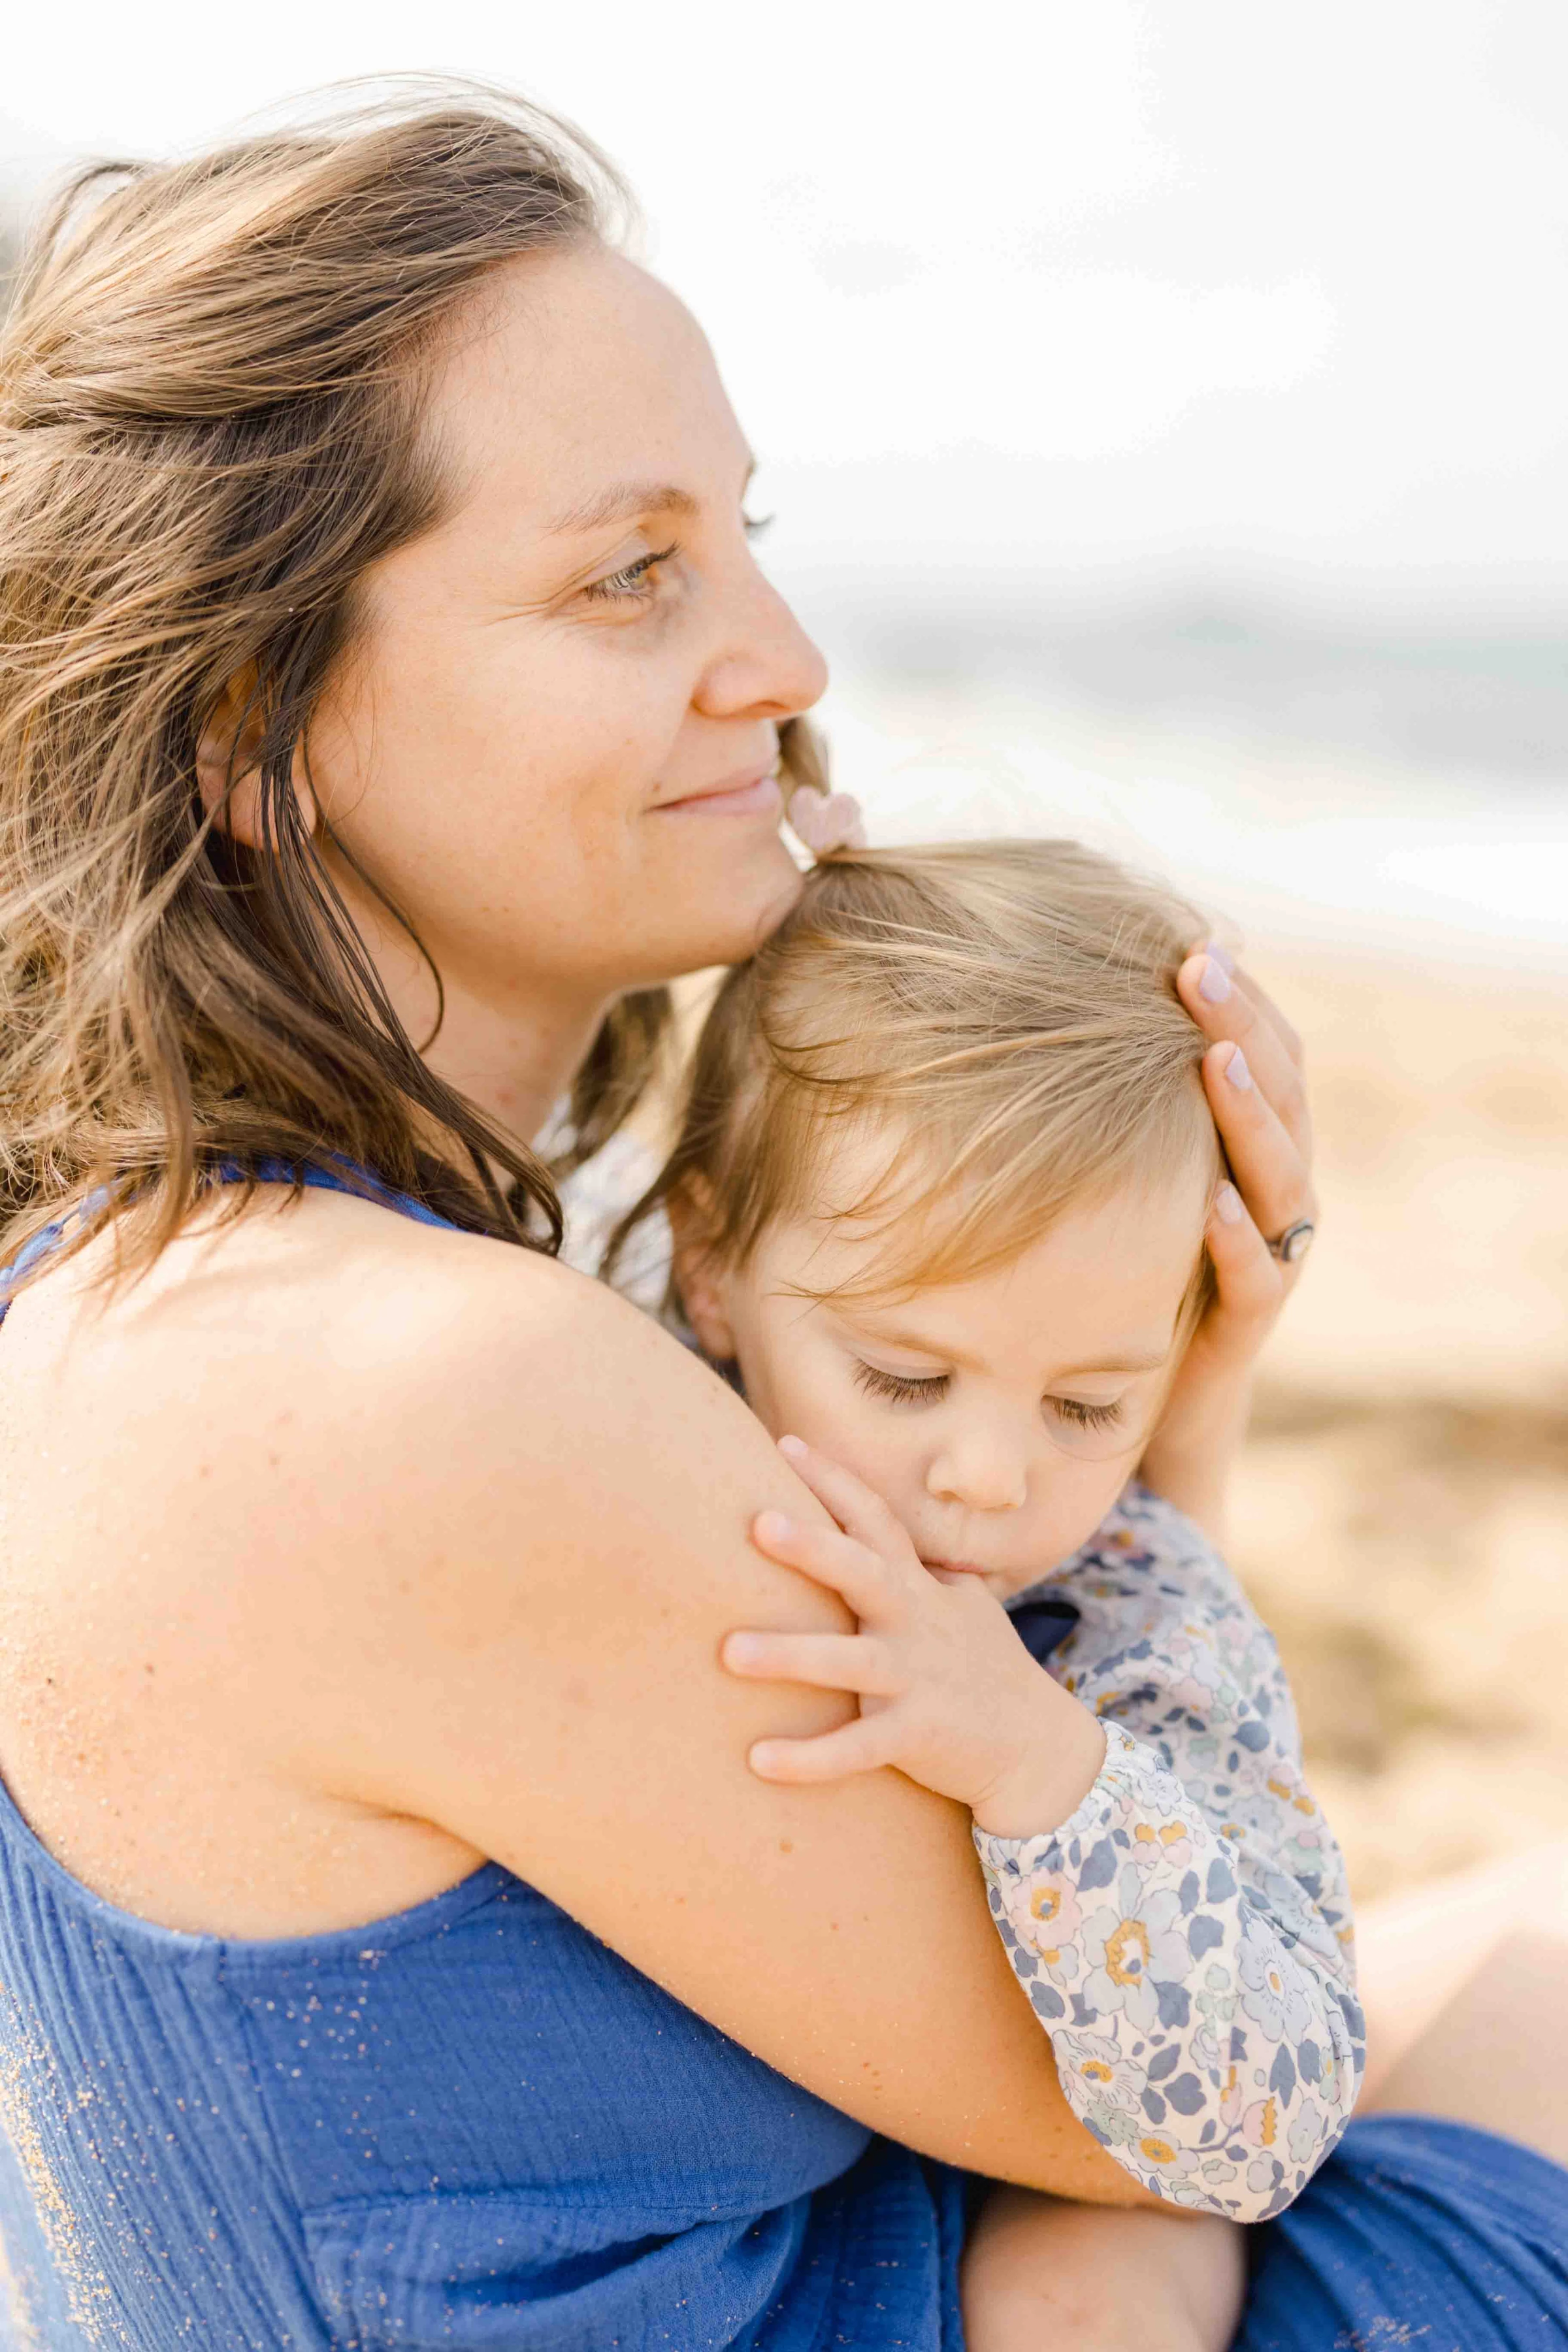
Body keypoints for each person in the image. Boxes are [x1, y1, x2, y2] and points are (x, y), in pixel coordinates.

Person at [0, 84, 1560, 2352]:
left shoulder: (133, 1275)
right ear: (252, 721)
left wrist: (1135, 1401)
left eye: (743, 536)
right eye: (634, 574)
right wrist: (1166, 1474)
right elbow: (1201, 2102)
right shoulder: (436, 1387)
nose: (788, 658)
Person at [615, 835, 1359, 2347]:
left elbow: (1266, 2122)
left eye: (1090, 1406)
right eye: (907, 1376)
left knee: (1082, 2305)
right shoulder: (627, 1418)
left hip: (1082, 2181)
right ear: (706, 1266)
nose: (990, 1478)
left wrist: (1039, 1762)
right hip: (763, 2205)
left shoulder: (1138, 1615)